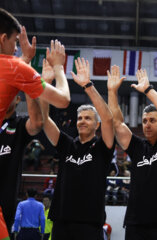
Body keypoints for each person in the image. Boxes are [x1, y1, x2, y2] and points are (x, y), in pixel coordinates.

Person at [0, 7, 70, 239]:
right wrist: (59, 68)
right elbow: (63, 100)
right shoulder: (12, 66)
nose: (16, 49)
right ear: (3, 39)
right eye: (14, 43)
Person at [107, 65, 157, 240]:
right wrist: (112, 92)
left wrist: (148, 90)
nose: (147, 124)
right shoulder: (137, 146)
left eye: (152, 120)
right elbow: (118, 123)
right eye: (144, 121)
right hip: (137, 223)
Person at [40, 57, 115, 239]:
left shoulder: (102, 146)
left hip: (89, 222)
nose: (82, 121)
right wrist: (45, 85)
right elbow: (44, 120)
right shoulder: (67, 143)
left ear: (96, 125)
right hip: (61, 220)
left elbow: (108, 119)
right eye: (80, 118)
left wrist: (88, 86)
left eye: (88, 118)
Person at [0, 93, 43, 238]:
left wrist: (30, 89)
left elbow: (37, 124)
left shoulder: (19, 124)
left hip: (3, 203)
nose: (4, 96)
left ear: (18, 99)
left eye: (9, 93)